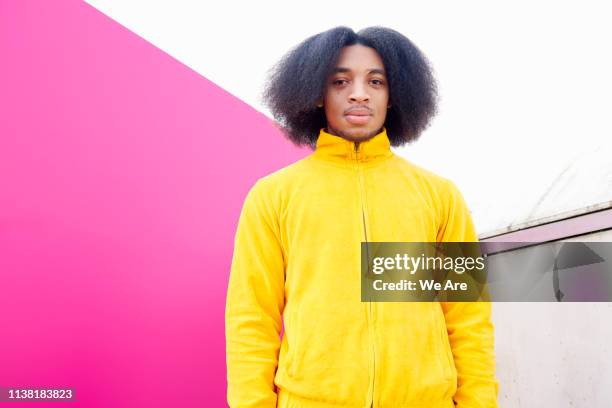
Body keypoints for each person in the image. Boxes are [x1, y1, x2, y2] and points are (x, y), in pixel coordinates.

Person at [225, 26, 498, 408]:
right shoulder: (273, 196)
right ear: (317, 94)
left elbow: (468, 317)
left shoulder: (439, 194)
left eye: (376, 81)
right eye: (340, 81)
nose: (359, 93)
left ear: (394, 95)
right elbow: (252, 317)